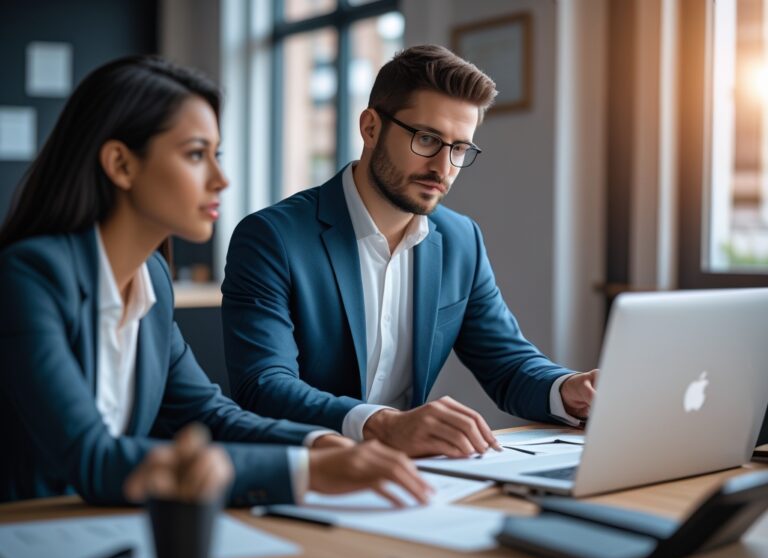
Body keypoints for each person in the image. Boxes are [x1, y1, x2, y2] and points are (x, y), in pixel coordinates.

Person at [0, 55, 431, 507]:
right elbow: (92, 459)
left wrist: (318, 444)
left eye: (216, 155)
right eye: (194, 155)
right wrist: (307, 471)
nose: (221, 180)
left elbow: (206, 413)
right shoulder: (28, 277)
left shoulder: (151, 279)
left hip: (106, 531)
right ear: (121, 165)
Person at [222, 45, 598, 458]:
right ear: (369, 128)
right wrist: (382, 424)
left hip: (410, 474)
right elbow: (264, 384)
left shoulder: (460, 240)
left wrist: (568, 389)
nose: (442, 167)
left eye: (459, 149)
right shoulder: (271, 237)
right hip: (303, 469)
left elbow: (507, 365)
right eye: (427, 139)